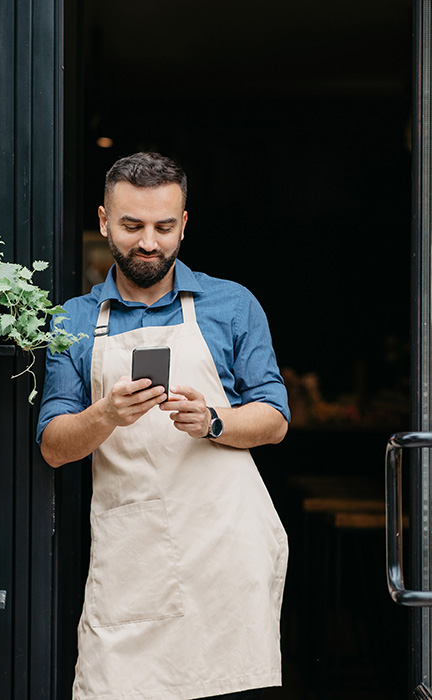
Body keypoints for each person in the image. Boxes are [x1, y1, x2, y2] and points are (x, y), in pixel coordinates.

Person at [37, 152, 289, 700]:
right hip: (134, 555)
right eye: (132, 226)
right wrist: (105, 414)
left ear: (184, 225)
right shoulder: (74, 321)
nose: (148, 242)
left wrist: (214, 420)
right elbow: (54, 447)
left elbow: (274, 419)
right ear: (104, 221)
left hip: (226, 554)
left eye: (164, 226)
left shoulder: (232, 305)